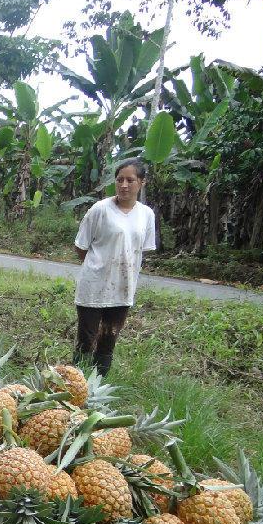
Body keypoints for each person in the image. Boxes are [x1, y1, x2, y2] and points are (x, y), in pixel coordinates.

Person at [72, 159, 156, 376]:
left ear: (142, 183)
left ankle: (98, 385)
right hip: (93, 286)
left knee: (108, 340)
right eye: (120, 180)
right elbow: (81, 246)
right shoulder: (100, 209)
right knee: (86, 340)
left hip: (123, 288)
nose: (124, 185)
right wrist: (97, 267)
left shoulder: (146, 214)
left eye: (130, 180)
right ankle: (73, 388)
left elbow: (140, 250)